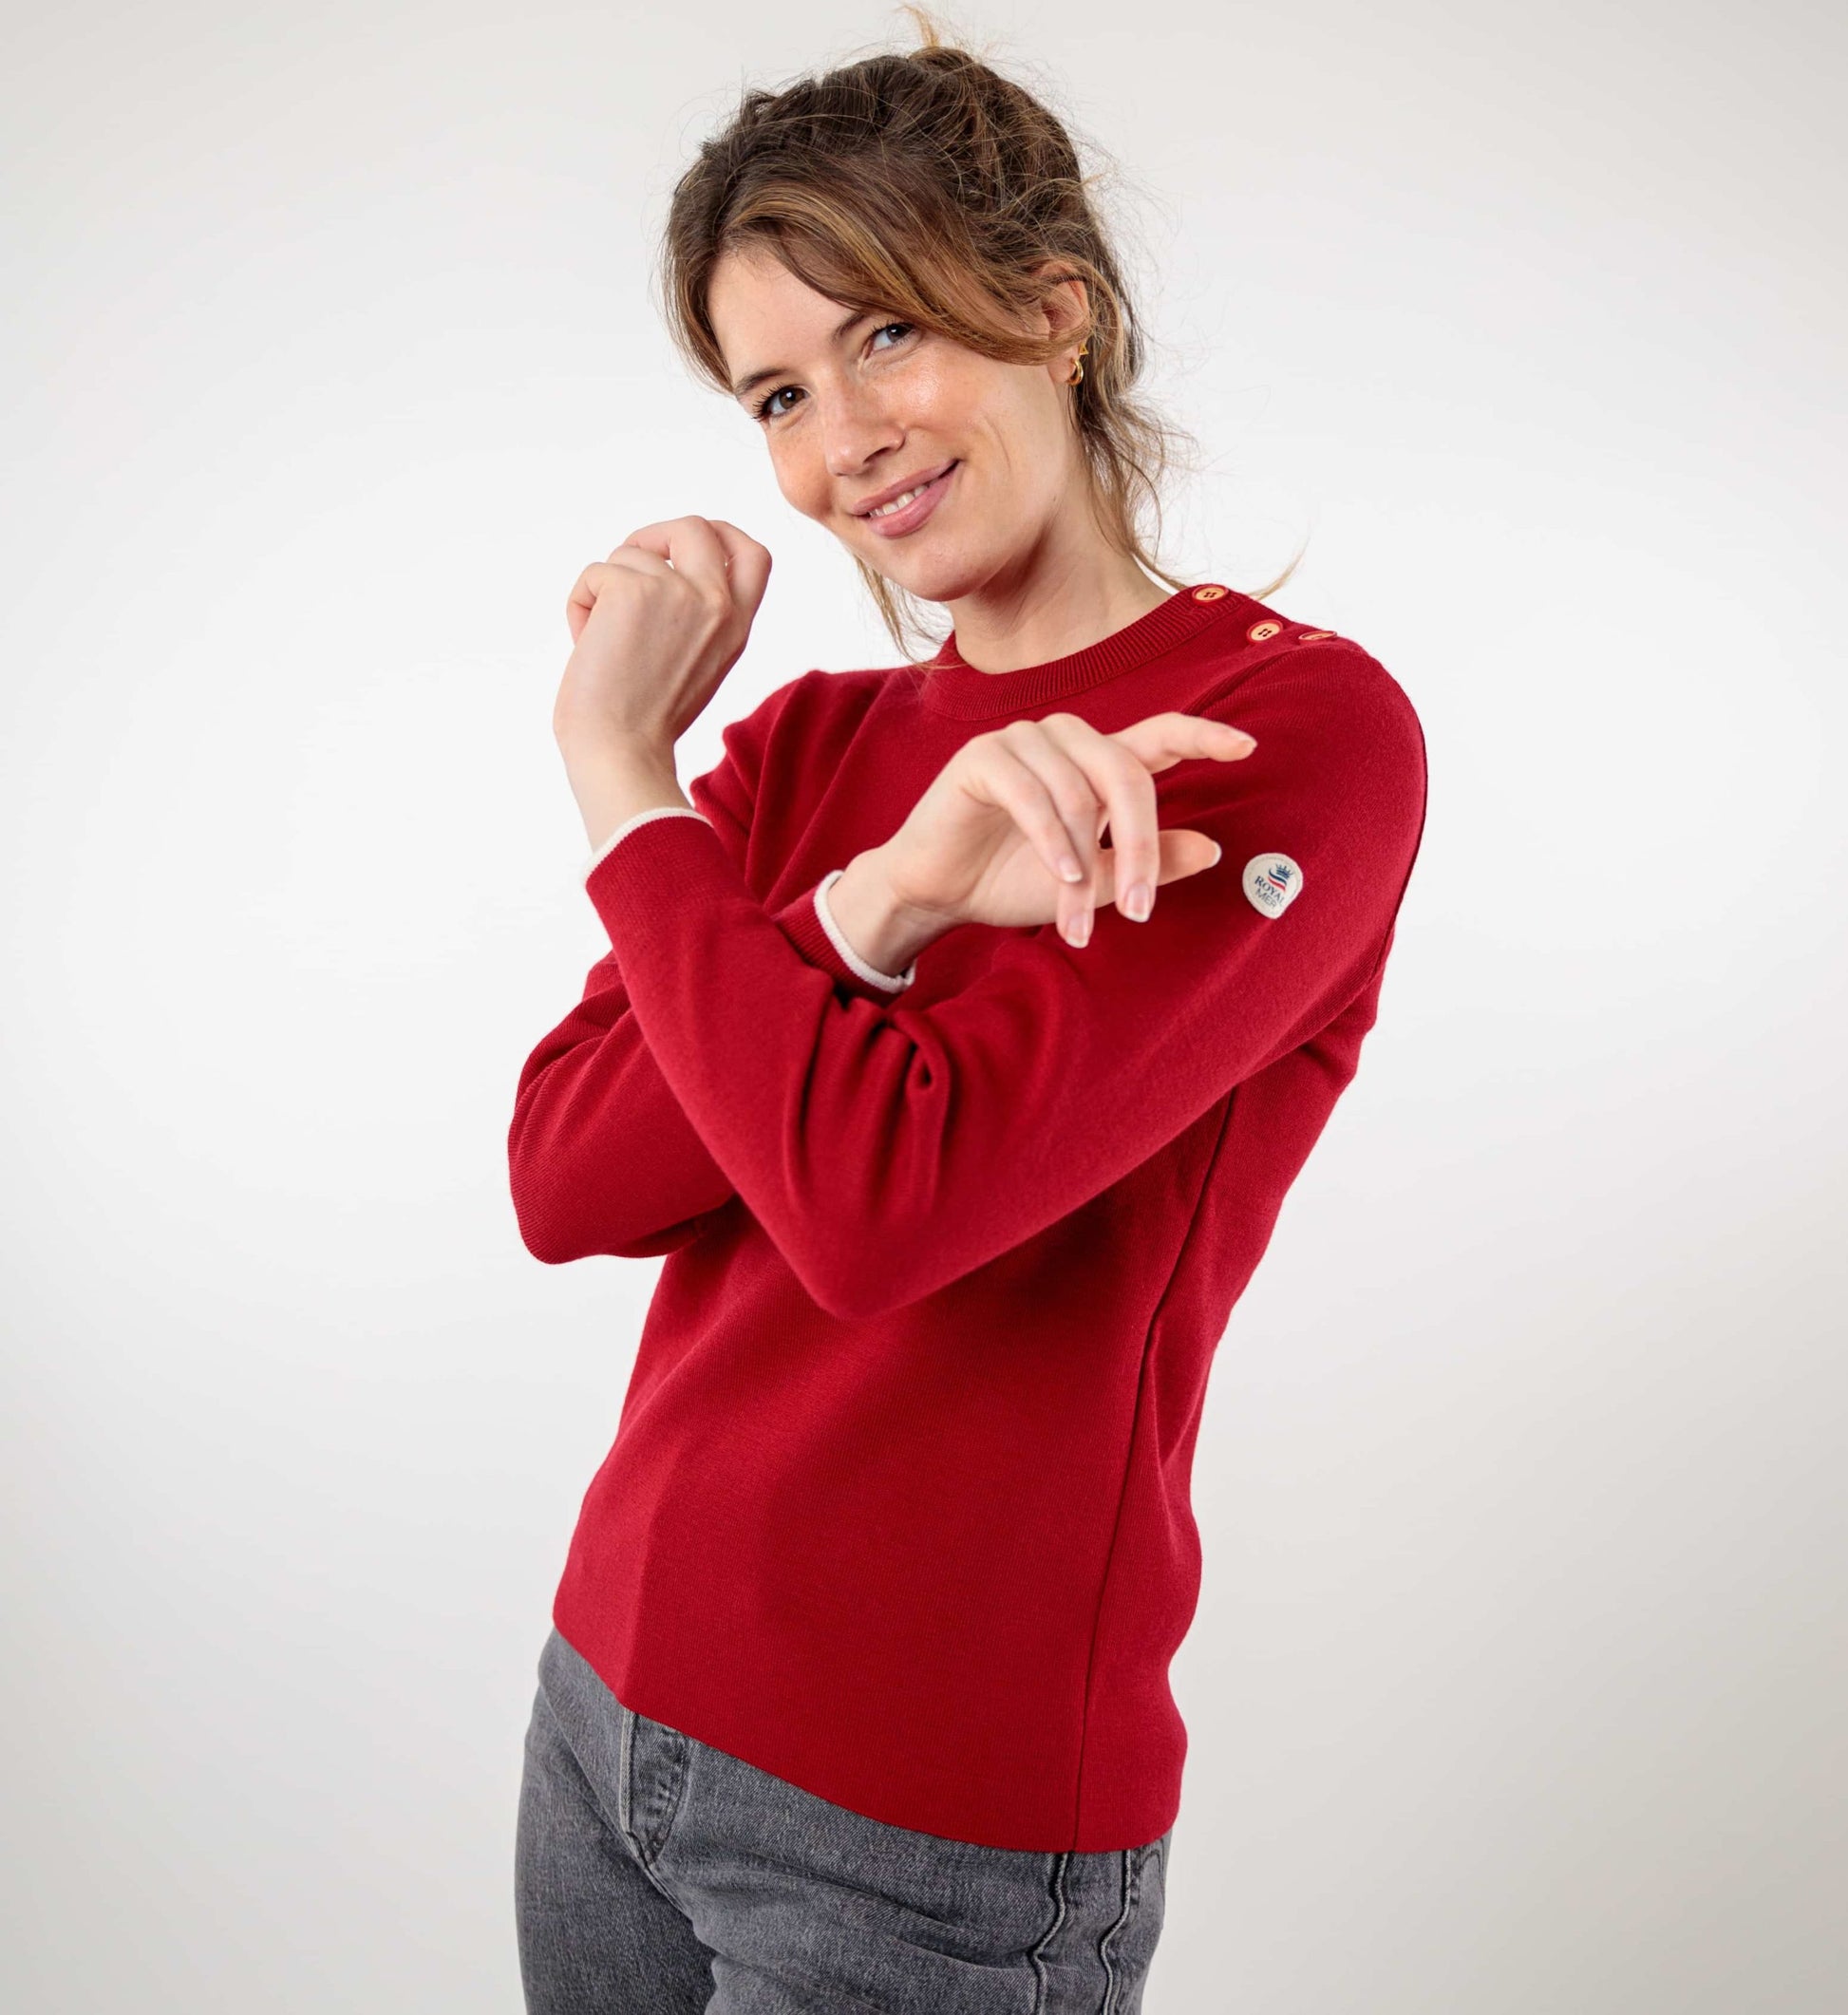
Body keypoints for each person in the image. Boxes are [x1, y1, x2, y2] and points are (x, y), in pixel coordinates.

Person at [507, 14, 1427, 2012]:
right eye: (776, 388)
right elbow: (567, 1170)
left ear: (1054, 310)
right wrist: (875, 894)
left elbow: (872, 1211)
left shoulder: (1283, 740)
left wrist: (626, 791)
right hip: (606, 1708)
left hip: (924, 1832)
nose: (845, 439)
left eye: (886, 336)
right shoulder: (811, 745)